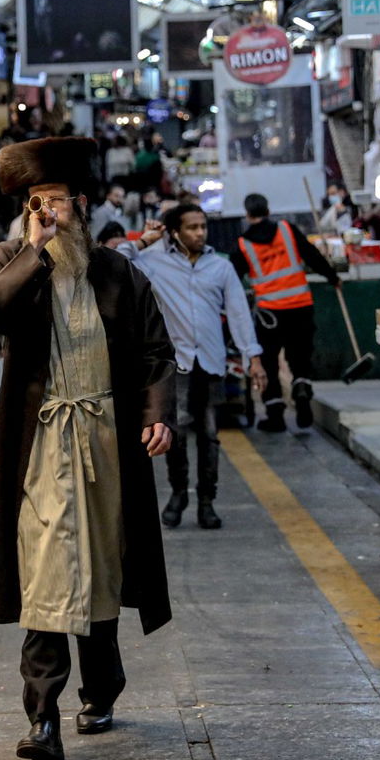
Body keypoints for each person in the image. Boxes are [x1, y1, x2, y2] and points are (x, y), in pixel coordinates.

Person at [0, 136, 176, 760]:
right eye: (41, 203)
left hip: (109, 440)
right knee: (51, 570)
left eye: (61, 202)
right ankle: (42, 718)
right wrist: (31, 249)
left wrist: (158, 415)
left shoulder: (117, 270)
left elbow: (155, 351)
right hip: (41, 444)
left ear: (81, 206)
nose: (54, 213)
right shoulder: (10, 259)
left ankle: (102, 689)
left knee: (104, 565)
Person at [121, 204, 266, 530]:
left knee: (210, 435)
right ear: (175, 232)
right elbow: (117, 257)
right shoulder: (155, 264)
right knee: (178, 432)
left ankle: (206, 501)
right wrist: (146, 240)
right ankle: (178, 494)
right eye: (192, 227)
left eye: (203, 226)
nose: (200, 233)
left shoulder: (220, 267)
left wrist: (252, 358)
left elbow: (240, 314)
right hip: (177, 366)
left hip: (211, 363)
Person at [229, 193, 341, 433]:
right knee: (299, 357)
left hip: (269, 313)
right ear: (268, 211)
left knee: (268, 362)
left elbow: (232, 279)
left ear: (248, 215)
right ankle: (301, 389)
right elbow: (312, 255)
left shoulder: (242, 244)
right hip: (300, 306)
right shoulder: (287, 230)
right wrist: (332, 276)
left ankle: (275, 415)